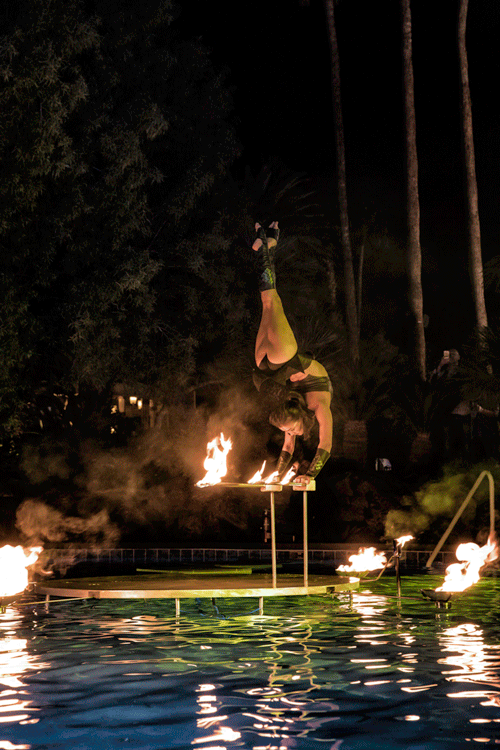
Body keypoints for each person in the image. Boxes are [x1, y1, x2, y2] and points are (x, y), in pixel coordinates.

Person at [251, 221, 333, 485]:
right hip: (267, 363)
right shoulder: (319, 407)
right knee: (269, 301)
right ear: (298, 421)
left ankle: (265, 246)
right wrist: (309, 475)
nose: (289, 435)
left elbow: (290, 447)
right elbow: (326, 444)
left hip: (278, 361)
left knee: (270, 300)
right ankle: (266, 246)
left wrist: (280, 475)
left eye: (288, 430)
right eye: (290, 430)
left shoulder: (296, 410)